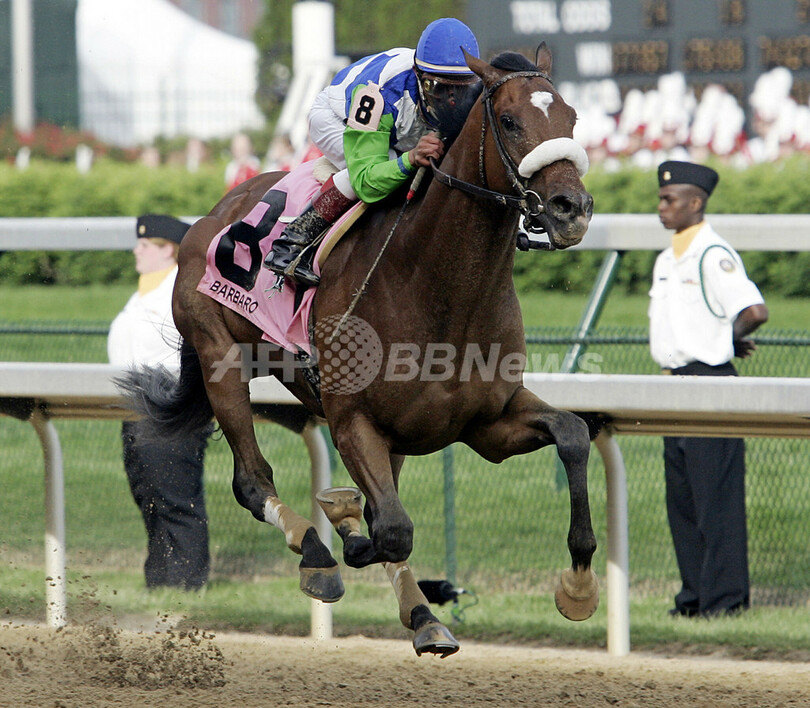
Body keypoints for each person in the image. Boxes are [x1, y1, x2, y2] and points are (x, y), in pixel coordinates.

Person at [264, 17, 481, 287]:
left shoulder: (473, 89)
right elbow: (366, 179)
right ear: (417, 74)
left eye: (460, 89)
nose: (450, 100)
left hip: (397, 125)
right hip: (335, 117)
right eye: (436, 88)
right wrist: (410, 158)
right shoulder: (379, 93)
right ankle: (291, 242)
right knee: (386, 167)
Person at [649, 161, 769, 618]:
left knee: (715, 499)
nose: (661, 207)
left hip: (710, 383)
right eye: (661, 199)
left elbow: (754, 310)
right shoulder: (667, 258)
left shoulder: (712, 253)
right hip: (674, 384)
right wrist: (724, 336)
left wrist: (724, 340)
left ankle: (725, 602)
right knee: (683, 500)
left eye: (669, 199)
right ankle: (694, 598)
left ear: (695, 202)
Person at [108, 214, 212, 591]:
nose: (136, 250)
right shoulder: (143, 293)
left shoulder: (181, 291)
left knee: (176, 500)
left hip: (171, 409)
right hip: (139, 409)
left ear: (168, 249)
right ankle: (160, 583)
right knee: (149, 497)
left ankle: (186, 586)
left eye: (145, 245)